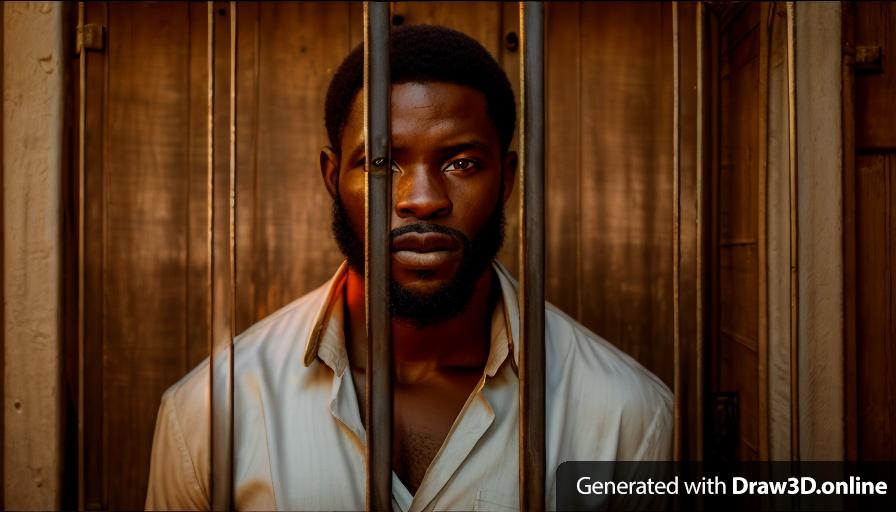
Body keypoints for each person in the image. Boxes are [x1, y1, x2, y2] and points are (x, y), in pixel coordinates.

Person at [145, 24, 671, 511]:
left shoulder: (626, 416)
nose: (422, 200)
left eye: (461, 163)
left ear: (507, 179)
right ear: (333, 177)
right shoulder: (213, 411)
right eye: (380, 163)